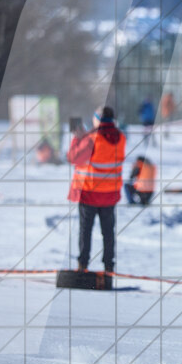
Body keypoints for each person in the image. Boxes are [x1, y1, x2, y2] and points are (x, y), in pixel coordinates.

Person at [68, 106, 126, 272]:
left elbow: (73, 157)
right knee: (108, 232)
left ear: (97, 119)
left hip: (89, 193)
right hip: (110, 194)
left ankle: (83, 264)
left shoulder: (91, 138)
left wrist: (77, 139)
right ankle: (109, 266)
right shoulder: (121, 137)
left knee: (86, 231)